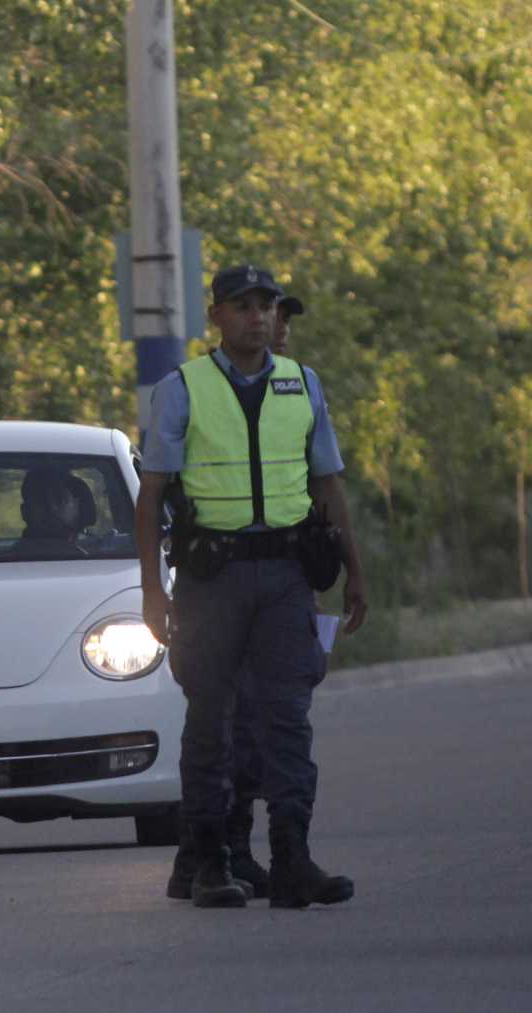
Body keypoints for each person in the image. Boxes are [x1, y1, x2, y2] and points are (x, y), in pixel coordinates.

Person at [137, 264, 367, 909]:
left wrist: (356, 571)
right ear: (217, 316)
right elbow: (151, 494)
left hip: (288, 577)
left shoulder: (303, 384)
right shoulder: (182, 388)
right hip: (213, 580)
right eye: (243, 306)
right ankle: (210, 861)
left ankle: (292, 858)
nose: (258, 317)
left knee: (287, 720)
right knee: (211, 721)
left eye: (265, 306)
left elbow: (329, 484)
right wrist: (152, 592)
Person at [218, 290, 312, 897]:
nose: (277, 327)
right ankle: (220, 850)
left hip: (287, 580)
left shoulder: (297, 392)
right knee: (238, 725)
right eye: (269, 314)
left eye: (283, 318)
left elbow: (313, 490)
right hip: (228, 583)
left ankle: (260, 853)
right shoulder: (212, 392)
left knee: (274, 723)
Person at [18, 465, 88, 556]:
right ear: (25, 512)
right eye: (41, 500)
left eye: (60, 499)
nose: (52, 507)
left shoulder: (102, 558)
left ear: (77, 507)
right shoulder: (6, 564)